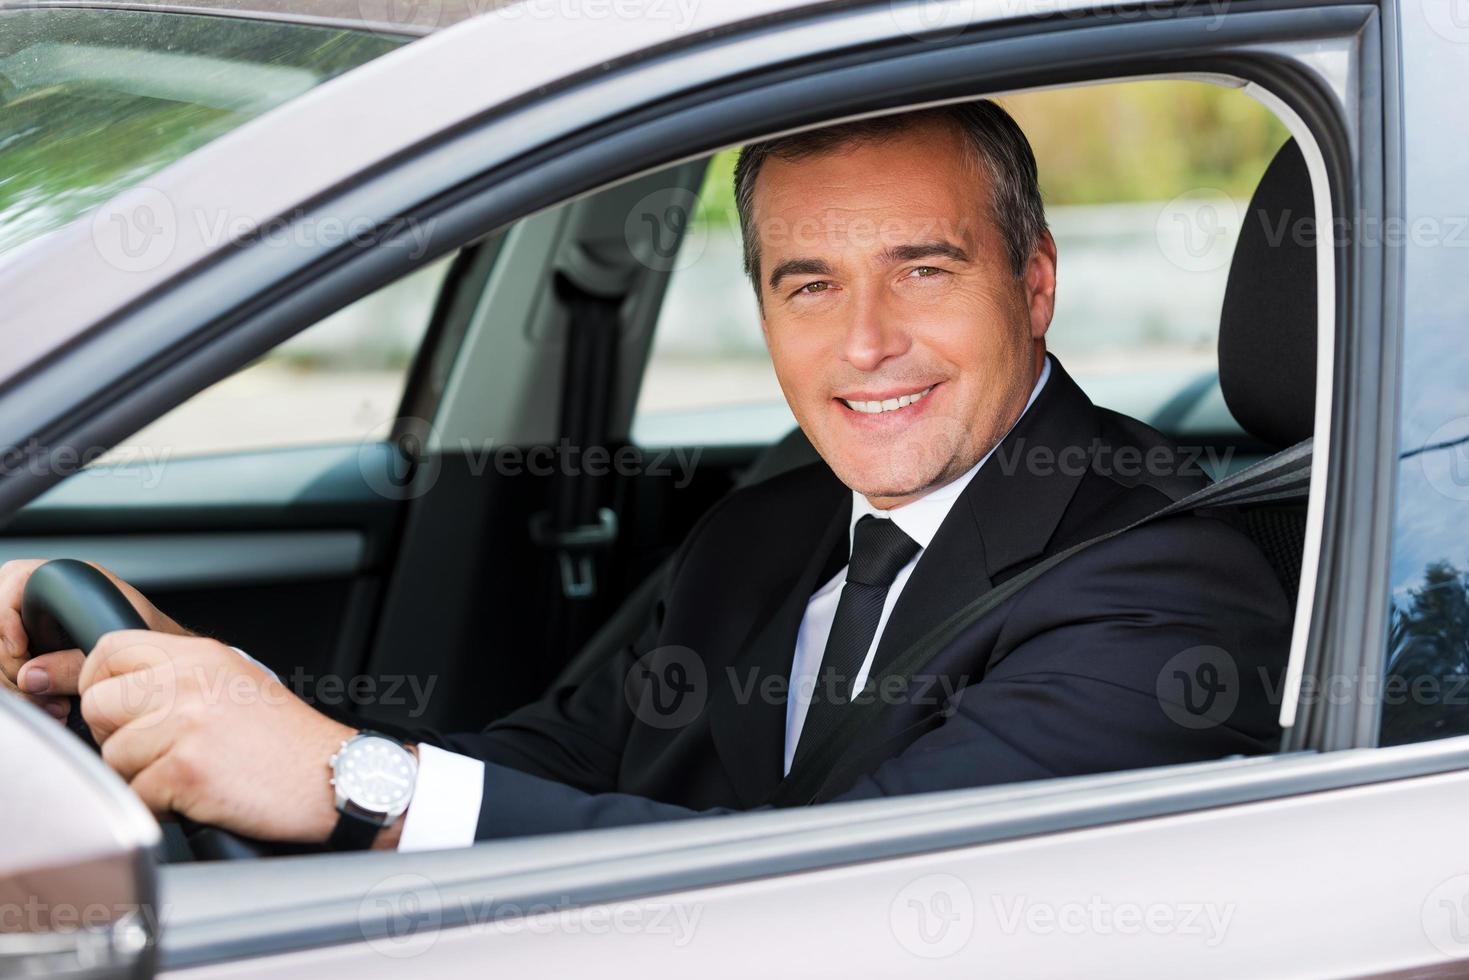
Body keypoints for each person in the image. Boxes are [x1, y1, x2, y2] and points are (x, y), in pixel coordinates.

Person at [0, 101, 1291, 851]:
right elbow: (551, 758)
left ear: (1036, 282)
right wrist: (201, 692)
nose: (863, 343)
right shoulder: (773, 521)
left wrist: (355, 787)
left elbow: (851, 901)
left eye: (924, 268)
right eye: (807, 284)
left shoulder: (1167, 578)